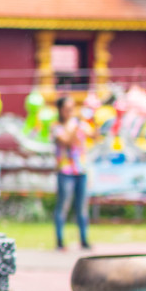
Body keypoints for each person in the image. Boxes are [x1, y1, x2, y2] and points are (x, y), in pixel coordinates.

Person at [53, 95, 93, 251]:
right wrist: (73, 126)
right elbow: (67, 141)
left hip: (81, 169)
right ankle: (60, 240)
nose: (70, 112)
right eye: (67, 109)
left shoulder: (79, 124)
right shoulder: (57, 127)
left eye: (72, 108)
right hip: (65, 171)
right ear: (60, 110)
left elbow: (94, 135)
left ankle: (84, 239)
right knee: (63, 205)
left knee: (82, 206)